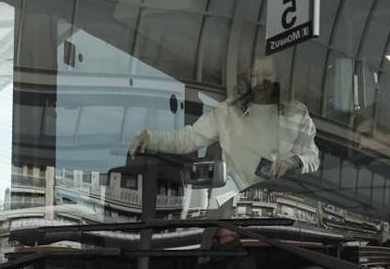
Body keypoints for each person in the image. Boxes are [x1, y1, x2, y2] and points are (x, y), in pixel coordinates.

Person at [129, 54, 320, 191]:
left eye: (267, 73)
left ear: (279, 76)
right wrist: (150, 137)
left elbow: (313, 157)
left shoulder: (297, 113)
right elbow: (188, 139)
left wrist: (294, 162)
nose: (260, 81)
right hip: (234, 209)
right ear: (247, 77)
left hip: (282, 205)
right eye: (254, 75)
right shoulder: (228, 111)